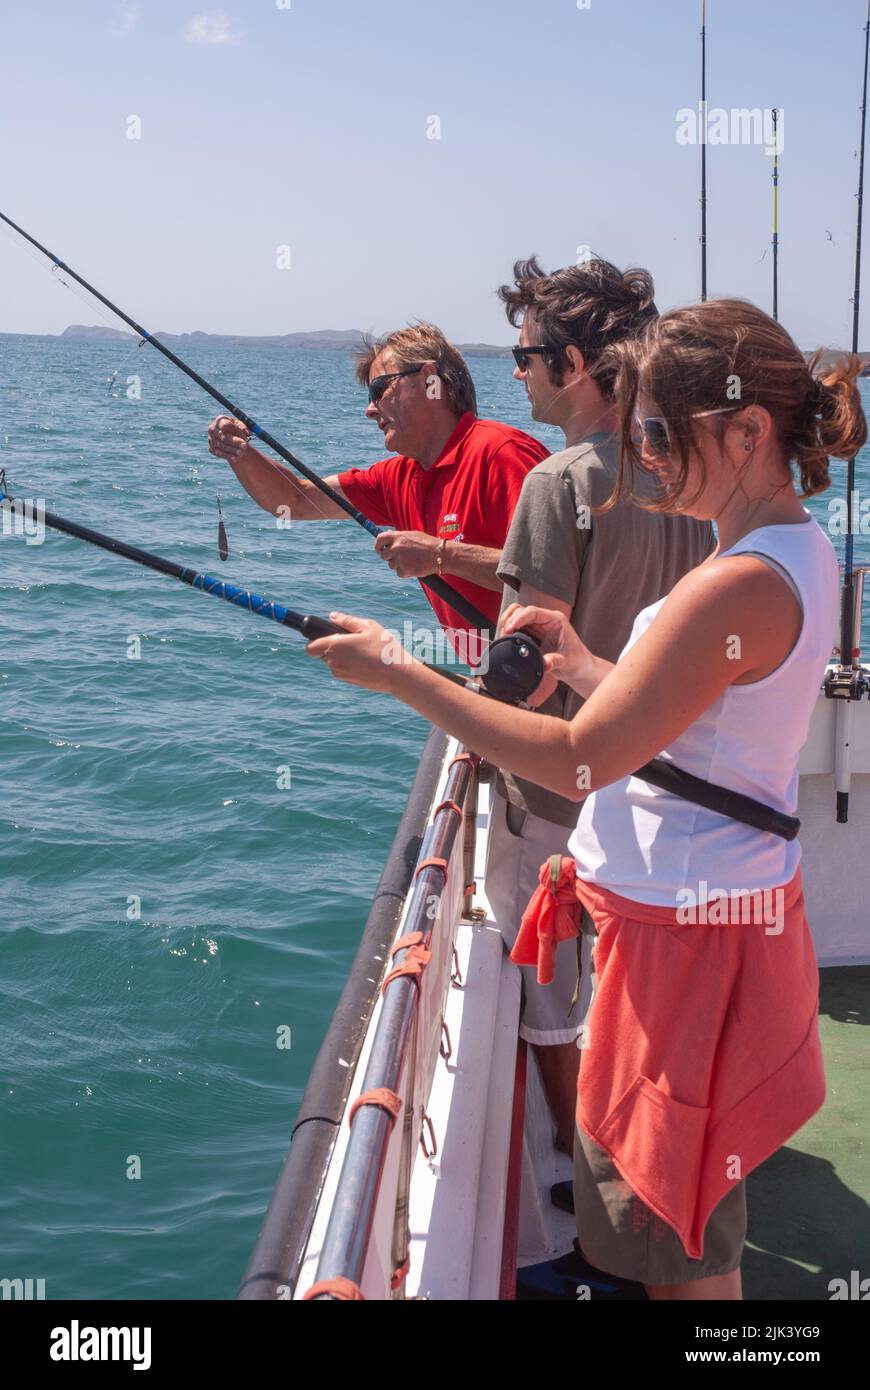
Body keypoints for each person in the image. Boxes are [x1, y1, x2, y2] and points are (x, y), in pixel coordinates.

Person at [303, 298, 865, 1299]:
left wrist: (400, 671)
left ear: (746, 431)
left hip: (680, 952)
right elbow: (695, 728)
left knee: (674, 1236)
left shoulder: (732, 584)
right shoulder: (800, 551)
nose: (644, 457)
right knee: (682, 1215)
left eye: (659, 431)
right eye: (637, 429)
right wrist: (584, 658)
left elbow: (576, 763)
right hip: (707, 921)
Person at [485, 258, 714, 1157]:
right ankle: (656, 1165)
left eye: (526, 353)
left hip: (560, 794)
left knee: (556, 1008)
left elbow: (526, 661)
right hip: (663, 785)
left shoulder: (558, 484)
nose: (516, 371)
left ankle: (589, 1192)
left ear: (573, 363)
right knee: (640, 1003)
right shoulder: (684, 475)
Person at [206, 323, 548, 662]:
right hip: (499, 679)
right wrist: (240, 451)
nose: (369, 410)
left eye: (379, 390)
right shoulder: (397, 479)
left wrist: (441, 556)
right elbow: (293, 500)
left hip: (555, 679)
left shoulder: (500, 453)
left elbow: (553, 578)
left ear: (430, 379)